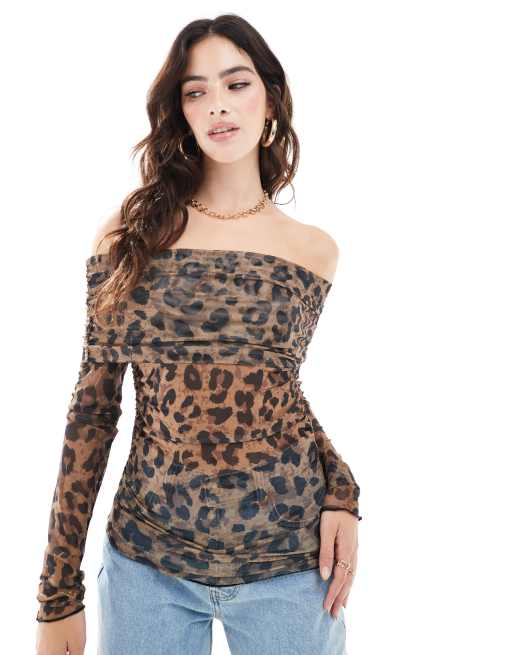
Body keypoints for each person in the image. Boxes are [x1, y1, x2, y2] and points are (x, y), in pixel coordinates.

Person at [35, 13, 361, 655]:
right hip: (146, 565)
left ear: (271, 99)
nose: (217, 105)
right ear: (179, 111)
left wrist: (341, 491)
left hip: (291, 567)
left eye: (236, 84)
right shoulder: (131, 236)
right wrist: (57, 596)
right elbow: (93, 414)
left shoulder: (312, 251)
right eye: (196, 91)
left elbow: (275, 394)